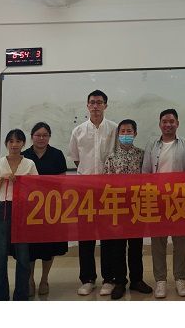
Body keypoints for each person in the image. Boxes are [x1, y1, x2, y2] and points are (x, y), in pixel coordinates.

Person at [69, 90, 118, 297]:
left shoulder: (115, 129)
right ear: (87, 105)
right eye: (92, 102)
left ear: (106, 105)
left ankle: (109, 279)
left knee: (108, 236)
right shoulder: (78, 131)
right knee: (86, 236)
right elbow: (76, 159)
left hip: (108, 191)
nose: (95, 106)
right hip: (85, 191)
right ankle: (87, 279)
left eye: (99, 102)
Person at [142, 108, 185, 299]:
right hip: (157, 199)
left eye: (171, 121)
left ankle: (180, 279)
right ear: (160, 124)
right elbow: (146, 172)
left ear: (177, 123)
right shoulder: (152, 144)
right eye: (165, 121)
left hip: (179, 199)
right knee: (158, 242)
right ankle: (160, 280)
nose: (168, 124)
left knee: (180, 242)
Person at [102, 119, 153, 299]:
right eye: (122, 131)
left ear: (135, 133)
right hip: (117, 208)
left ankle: (137, 280)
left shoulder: (142, 155)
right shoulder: (111, 157)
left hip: (137, 206)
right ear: (118, 134)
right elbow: (105, 183)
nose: (125, 134)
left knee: (136, 246)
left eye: (129, 131)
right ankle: (120, 282)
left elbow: (148, 178)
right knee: (118, 247)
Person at [0, 129, 38, 301]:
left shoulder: (29, 163)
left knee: (23, 256)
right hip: (2, 208)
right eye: (11, 141)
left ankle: (21, 296)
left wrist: (23, 183)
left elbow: (36, 189)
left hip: (23, 210)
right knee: (0, 256)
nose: (14, 145)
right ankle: (0, 297)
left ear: (23, 144)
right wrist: (1, 179)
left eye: (18, 141)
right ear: (6, 143)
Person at [22, 122, 68, 298]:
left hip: (51, 207)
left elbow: (62, 180)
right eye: (38, 135)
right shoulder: (24, 155)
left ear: (49, 137)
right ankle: (30, 280)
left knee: (49, 247)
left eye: (45, 135)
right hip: (29, 209)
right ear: (32, 137)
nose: (41, 138)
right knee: (30, 248)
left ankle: (44, 279)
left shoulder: (57, 154)